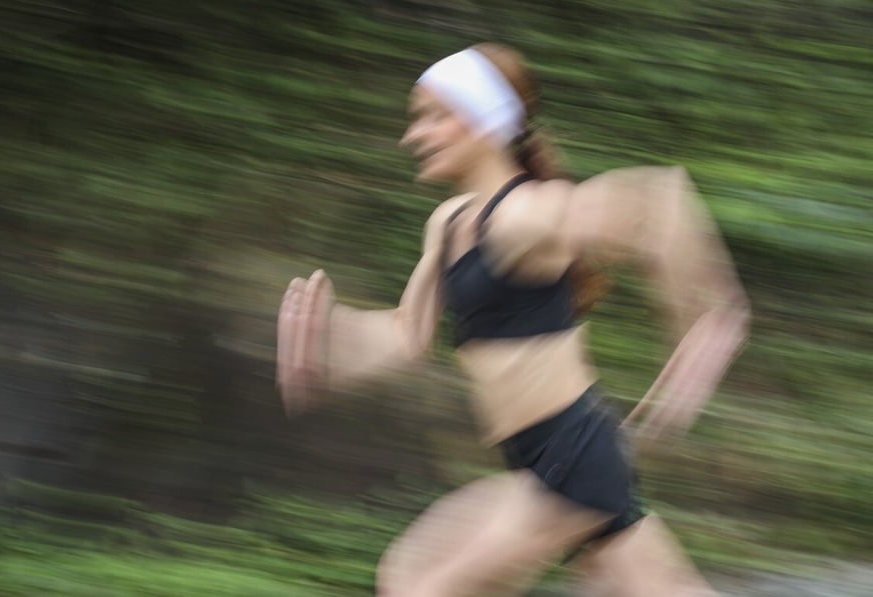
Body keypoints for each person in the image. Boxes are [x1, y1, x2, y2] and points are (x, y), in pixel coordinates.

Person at [276, 43, 750, 596]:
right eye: (416, 118)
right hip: (541, 460)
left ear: (483, 121)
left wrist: (712, 322)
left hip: (574, 460)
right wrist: (331, 338)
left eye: (435, 116)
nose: (415, 135)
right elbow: (407, 335)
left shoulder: (526, 215)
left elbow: (661, 201)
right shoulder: (449, 223)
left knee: (419, 587)